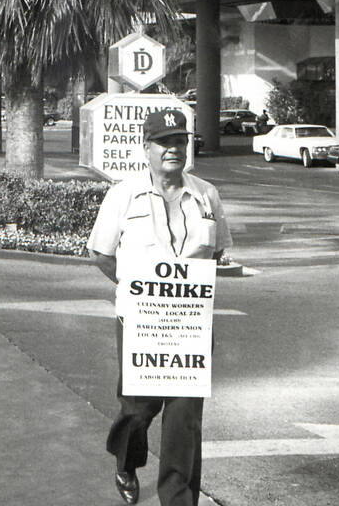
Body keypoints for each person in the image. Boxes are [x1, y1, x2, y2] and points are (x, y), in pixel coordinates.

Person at [88, 108, 232, 506]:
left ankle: (178, 499)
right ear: (146, 148)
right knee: (138, 408)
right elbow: (100, 253)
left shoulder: (207, 194)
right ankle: (126, 460)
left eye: (180, 141)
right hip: (139, 320)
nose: (174, 149)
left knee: (185, 417)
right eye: (165, 142)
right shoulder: (123, 194)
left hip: (190, 324)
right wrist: (138, 290)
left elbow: (216, 250)